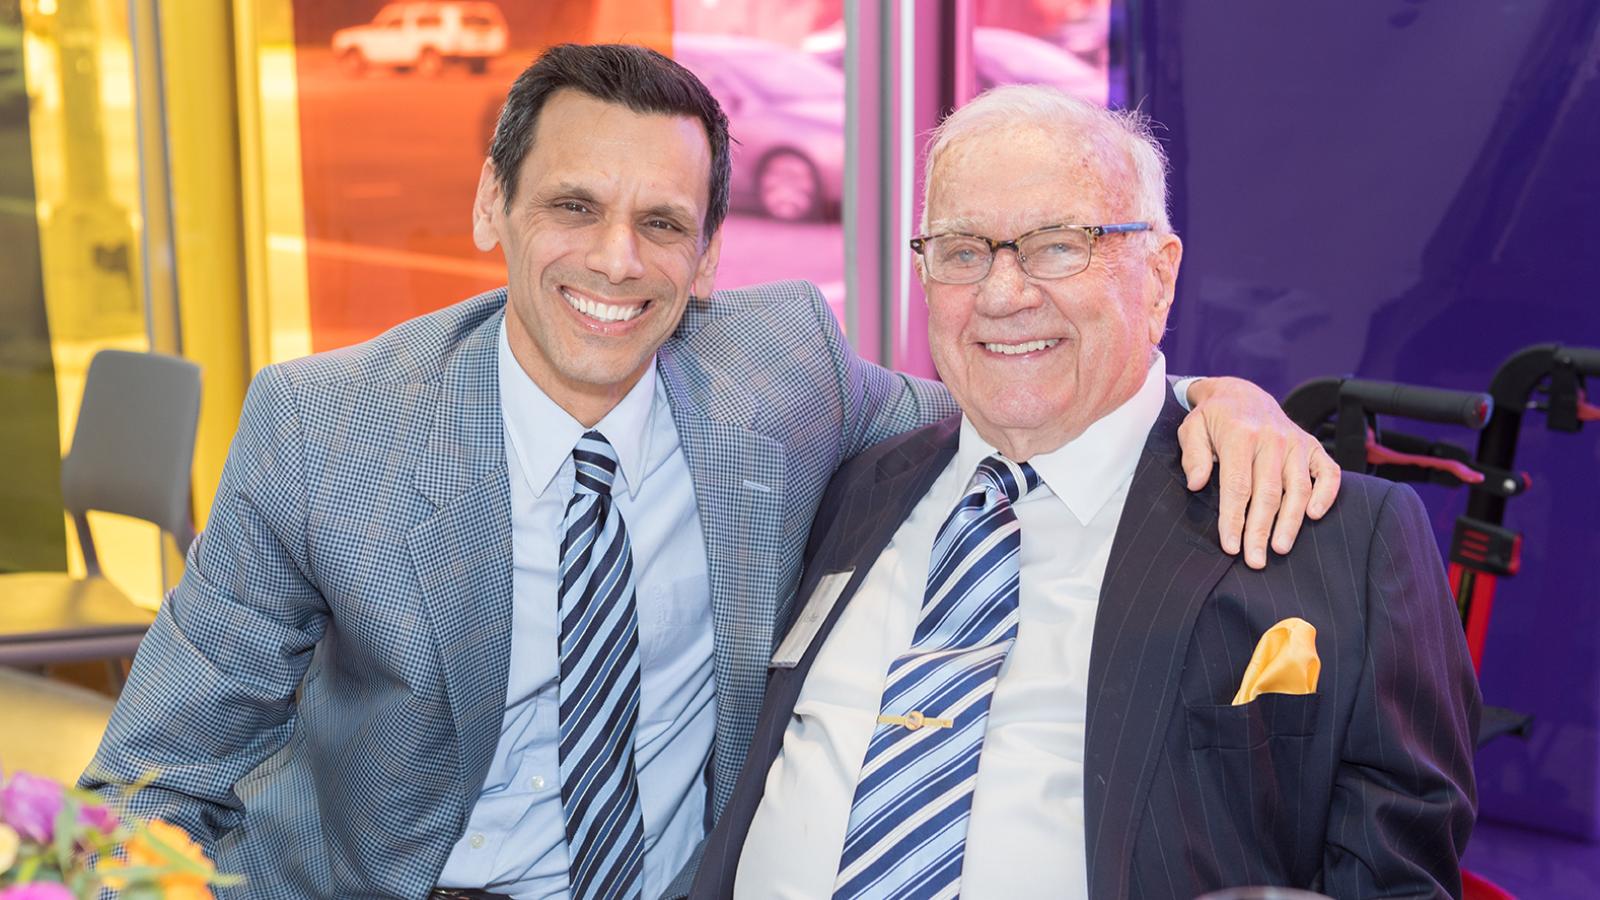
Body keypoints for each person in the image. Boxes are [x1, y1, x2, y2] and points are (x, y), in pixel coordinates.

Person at [82, 47, 1337, 899]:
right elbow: (158, 769)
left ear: (710, 255)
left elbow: (1016, 397)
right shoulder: (329, 428)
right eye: (572, 207)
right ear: (490, 209)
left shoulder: (778, 371)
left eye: (664, 224)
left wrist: (1205, 398)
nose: (615, 262)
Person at [692, 85, 1479, 899]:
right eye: (963, 251)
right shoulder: (849, 481)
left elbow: (1398, 876)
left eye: (1058, 245)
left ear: (1161, 276)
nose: (1003, 295)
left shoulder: (1337, 538)